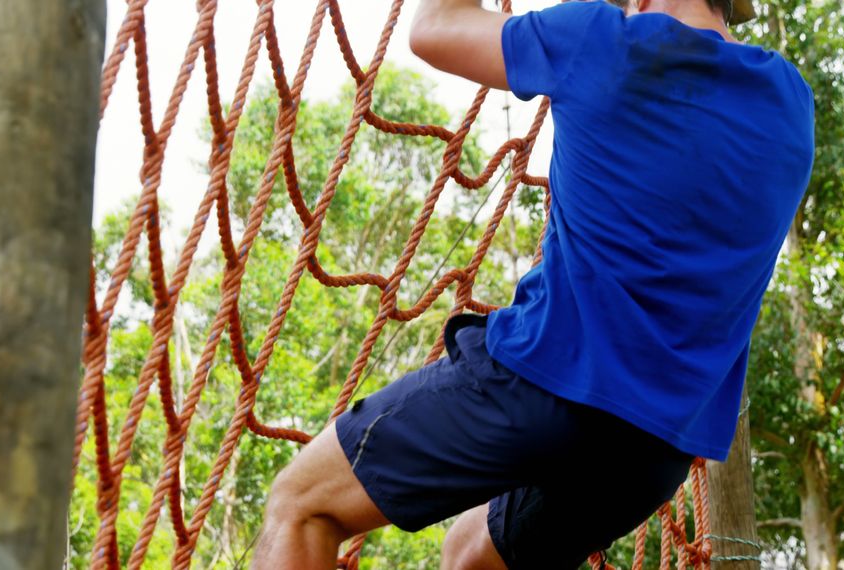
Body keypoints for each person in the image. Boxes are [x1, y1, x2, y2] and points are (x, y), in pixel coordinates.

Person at [252, 0, 814, 567]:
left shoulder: (600, 40)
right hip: (656, 451)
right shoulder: (792, 104)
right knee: (472, 553)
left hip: (545, 384)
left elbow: (432, 28)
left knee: (301, 504)